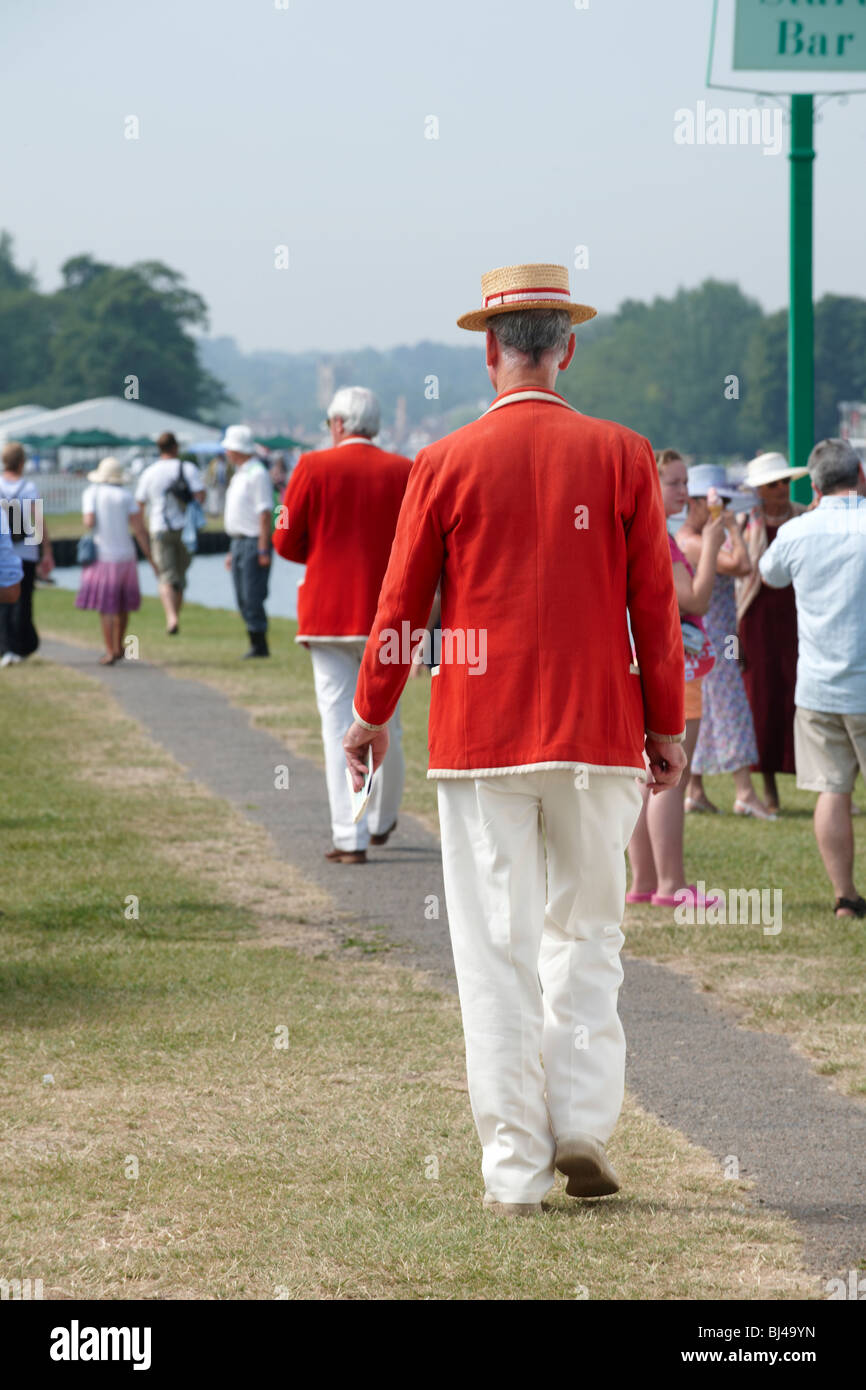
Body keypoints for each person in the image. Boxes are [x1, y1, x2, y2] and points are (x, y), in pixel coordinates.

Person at [343, 264, 686, 1214]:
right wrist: (667, 724)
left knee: (495, 954)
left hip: (481, 738)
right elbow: (654, 608)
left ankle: (515, 1169)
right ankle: (582, 1119)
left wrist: (371, 714)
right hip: (597, 732)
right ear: (565, 348)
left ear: (489, 351)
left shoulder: (444, 463)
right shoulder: (623, 453)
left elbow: (401, 608)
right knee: (588, 935)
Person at [272, 387, 413, 863]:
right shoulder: (404, 470)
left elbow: (284, 540)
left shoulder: (311, 467)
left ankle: (347, 836)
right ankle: (383, 818)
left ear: (337, 424)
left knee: (339, 727)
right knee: (385, 720)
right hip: (390, 617)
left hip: (329, 615)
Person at [760, 440, 866, 918]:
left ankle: (844, 896)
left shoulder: (798, 531)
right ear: (860, 475)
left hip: (818, 685)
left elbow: (770, 575)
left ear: (815, 486)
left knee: (832, 789)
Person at [626, 449, 725, 908]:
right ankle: (672, 886)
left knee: (645, 779)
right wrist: (715, 537)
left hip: (643, 668)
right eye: (675, 484)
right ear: (653, 484)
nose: (685, 492)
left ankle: (644, 881)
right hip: (676, 671)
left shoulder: (634, 532)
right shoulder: (661, 540)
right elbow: (697, 601)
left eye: (687, 483)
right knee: (670, 779)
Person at [677, 464, 774, 820]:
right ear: (697, 502)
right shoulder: (693, 541)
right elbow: (742, 566)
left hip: (716, 637)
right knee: (730, 711)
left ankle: (696, 790)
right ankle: (744, 792)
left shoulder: (695, 538)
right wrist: (732, 527)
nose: (723, 509)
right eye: (718, 503)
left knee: (709, 714)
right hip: (709, 641)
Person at [736, 452, 810, 813]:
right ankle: (766, 786)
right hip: (756, 620)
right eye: (772, 484)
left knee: (800, 696)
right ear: (759, 491)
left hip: (800, 617)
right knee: (762, 698)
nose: (781, 489)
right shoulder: (743, 522)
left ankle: (824, 783)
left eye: (784, 481)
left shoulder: (805, 517)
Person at [75, 456, 157, 664]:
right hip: (126, 555)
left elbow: (88, 521)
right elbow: (139, 529)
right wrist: (150, 557)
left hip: (103, 555)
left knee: (106, 607)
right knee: (123, 605)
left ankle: (110, 649)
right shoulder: (125, 496)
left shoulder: (91, 493)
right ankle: (120, 645)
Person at [135, 431, 205, 635]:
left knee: (166, 575)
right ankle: (176, 615)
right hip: (186, 529)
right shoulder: (188, 468)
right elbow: (200, 496)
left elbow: (139, 504)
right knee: (180, 575)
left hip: (159, 528)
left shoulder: (149, 472)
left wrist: (142, 530)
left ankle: (171, 617)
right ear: (175, 447)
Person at [0, 441, 54, 666]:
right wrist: (47, 551)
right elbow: (38, 521)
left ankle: (5, 648)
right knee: (23, 601)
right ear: (22, 463)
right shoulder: (28, 487)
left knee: (3, 603)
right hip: (26, 551)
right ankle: (20, 647)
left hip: (4, 551)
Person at [221, 425, 273, 659]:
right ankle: (254, 640)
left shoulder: (257, 474)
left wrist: (263, 547)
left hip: (253, 541)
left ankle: (259, 644)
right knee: (242, 596)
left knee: (252, 595)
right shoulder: (241, 473)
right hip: (239, 541)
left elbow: (264, 513)